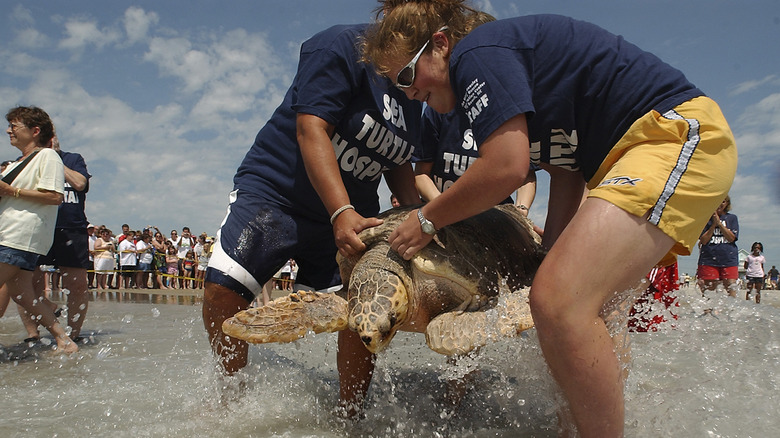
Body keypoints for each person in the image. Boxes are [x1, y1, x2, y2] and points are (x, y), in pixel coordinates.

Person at [361, 2, 737, 435]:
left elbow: (506, 166)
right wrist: (549, 252)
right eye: (396, 86)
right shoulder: (518, 79)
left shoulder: (476, 52)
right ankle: (572, 428)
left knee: (558, 301)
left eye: (407, 75)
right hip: (632, 155)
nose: (407, 93)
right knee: (595, 309)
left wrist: (427, 219)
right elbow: (566, 170)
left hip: (672, 134)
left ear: (441, 44)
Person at [202, 22, 423, 415]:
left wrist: (416, 215)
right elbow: (311, 128)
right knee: (223, 290)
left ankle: (350, 413)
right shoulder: (343, 45)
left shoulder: (414, 90)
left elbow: (398, 160)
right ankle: (231, 397)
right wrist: (340, 210)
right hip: (278, 193)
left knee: (362, 312)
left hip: (353, 214)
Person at [0, 106, 76, 354]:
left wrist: (12, 191)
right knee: (22, 294)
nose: (9, 130)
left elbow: (54, 196)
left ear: (35, 131)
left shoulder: (47, 156)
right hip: (11, 233)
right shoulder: (17, 163)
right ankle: (63, 340)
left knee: (21, 292)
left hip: (17, 236)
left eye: (14, 126)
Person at [19, 129, 92, 343]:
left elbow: (79, 184)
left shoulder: (72, 159)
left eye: (54, 136)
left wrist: (54, 158)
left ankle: (74, 334)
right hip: (37, 227)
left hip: (71, 227)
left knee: (78, 284)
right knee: (26, 284)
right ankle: (33, 333)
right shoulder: (26, 160)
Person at [697, 196, 739, 296]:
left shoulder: (732, 218)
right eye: (718, 200)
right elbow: (704, 240)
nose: (720, 203)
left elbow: (732, 238)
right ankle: (708, 311)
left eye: (723, 201)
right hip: (708, 259)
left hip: (728, 259)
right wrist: (713, 225)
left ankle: (731, 310)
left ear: (727, 204)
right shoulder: (705, 219)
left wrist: (719, 224)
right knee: (709, 289)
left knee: (730, 286)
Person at [87, 224, 97, 288]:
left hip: (94, 257)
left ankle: (90, 283)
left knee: (92, 272)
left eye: (92, 229)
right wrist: (90, 251)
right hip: (86, 256)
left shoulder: (95, 238)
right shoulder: (85, 237)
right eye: (89, 229)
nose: (91, 230)